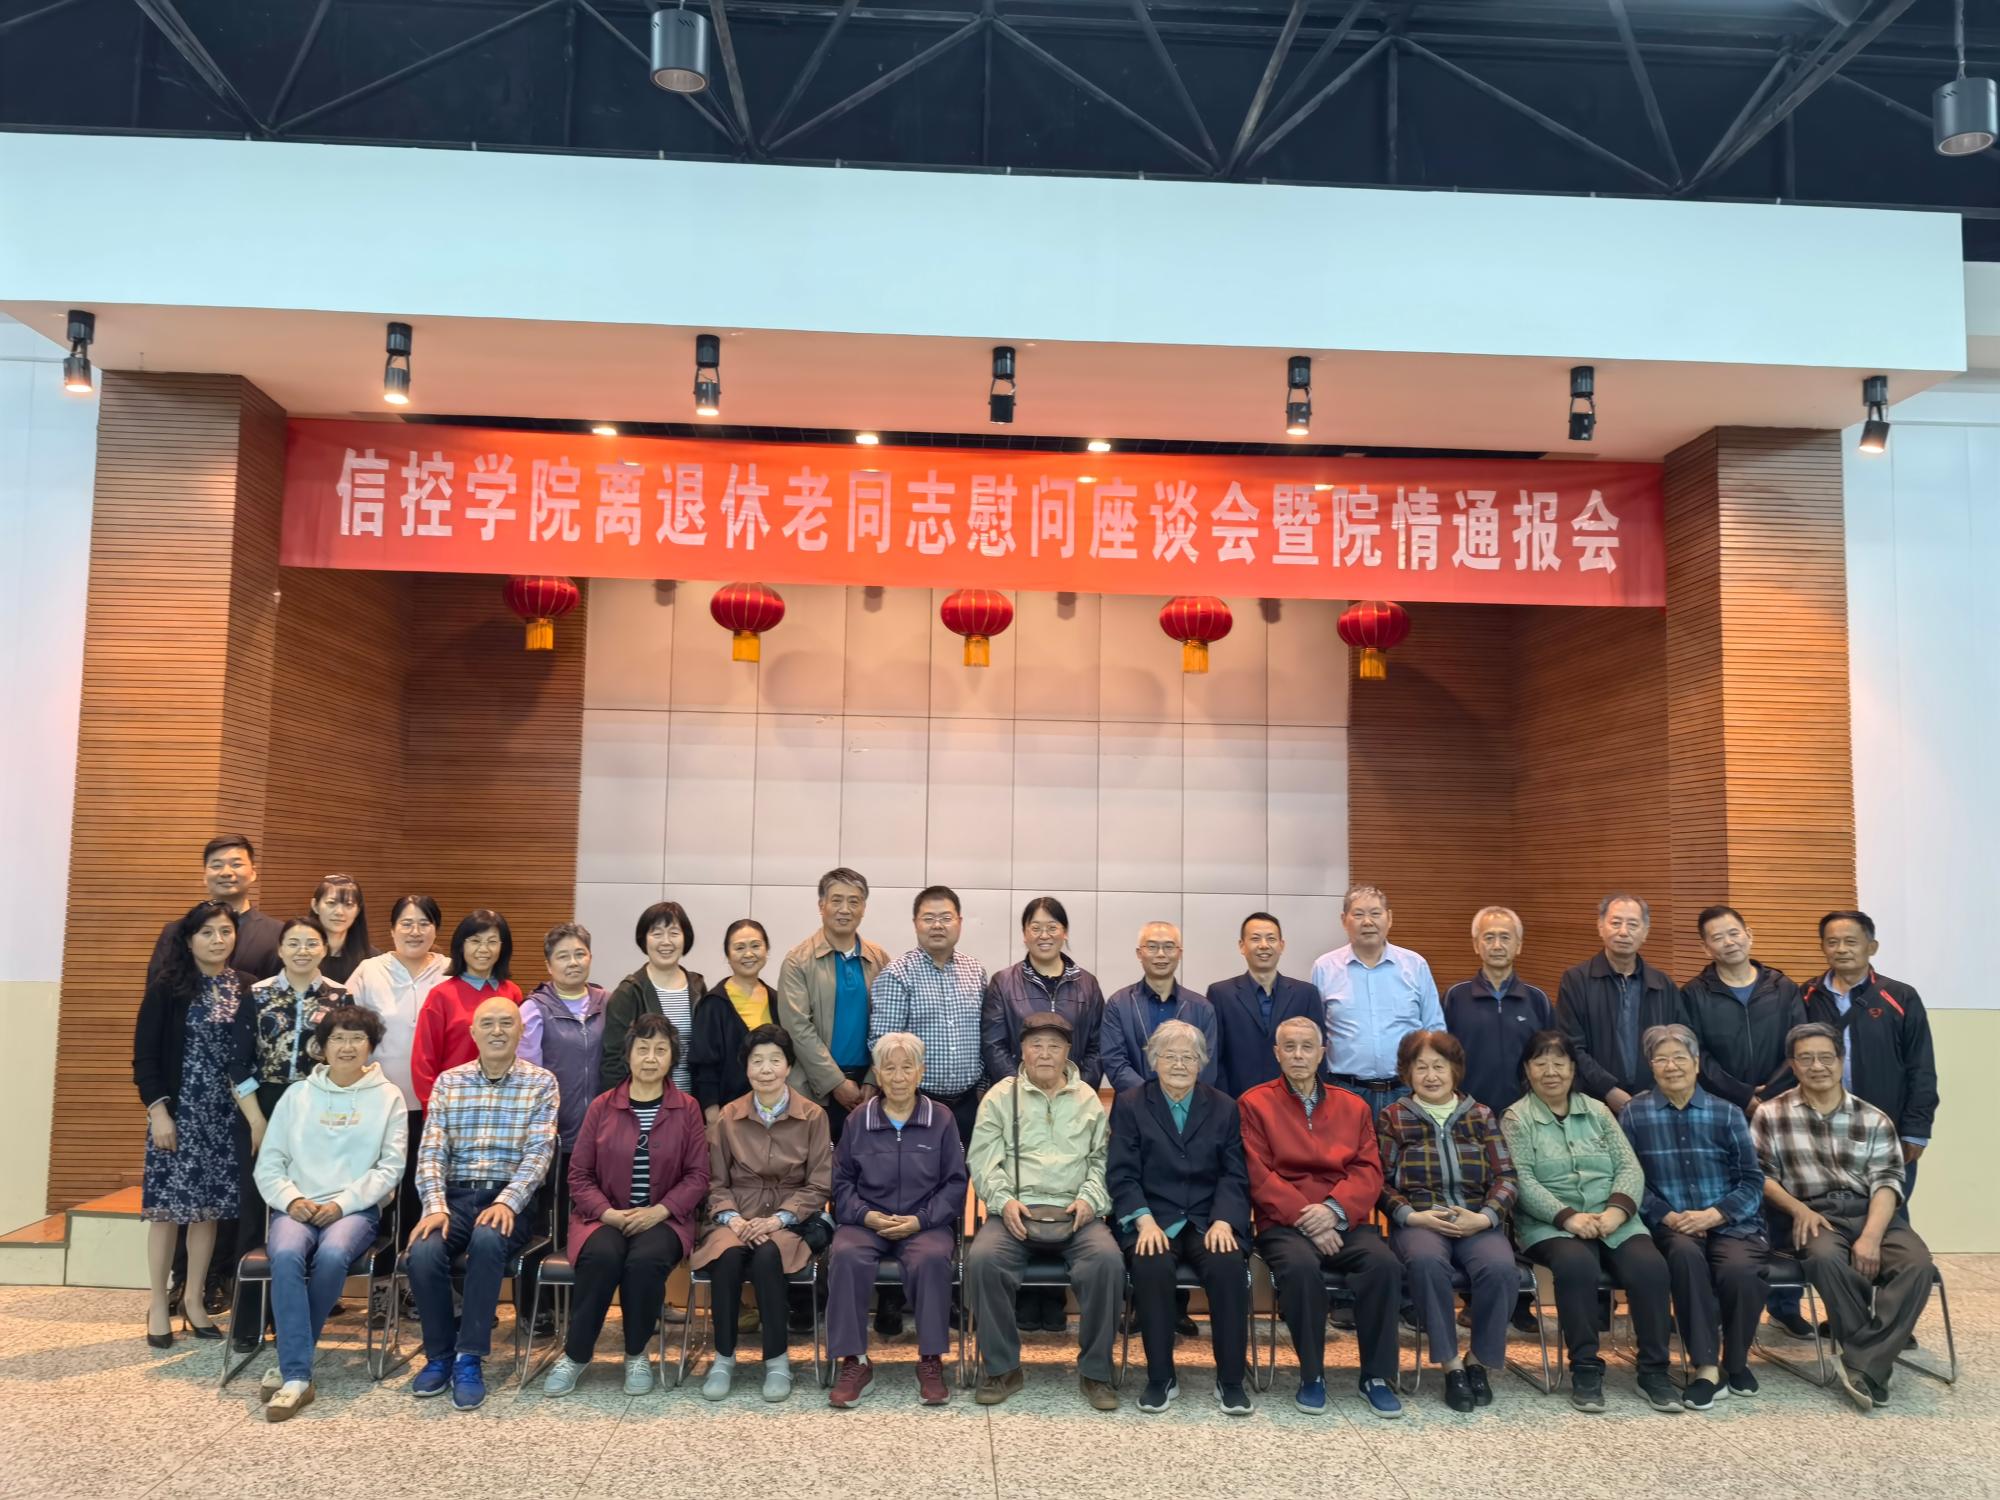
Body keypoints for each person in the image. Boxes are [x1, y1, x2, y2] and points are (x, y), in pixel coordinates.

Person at [1753, 1022, 1935, 1411]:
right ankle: (1873, 1361)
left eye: (1826, 1057)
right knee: (1824, 1258)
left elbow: (1888, 1182)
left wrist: (1871, 1236)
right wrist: (1798, 1209)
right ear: (1792, 1065)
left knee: (1918, 1264)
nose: (1817, 1066)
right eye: (1806, 1058)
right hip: (1812, 1212)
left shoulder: (1874, 1118)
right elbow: (1760, 1176)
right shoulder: (1771, 1114)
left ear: (1840, 1060)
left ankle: (1861, 1361)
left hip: (1872, 1210)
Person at [1502, 1028, 1677, 1414]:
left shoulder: (1598, 1111)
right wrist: (1568, 1217)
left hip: (1614, 1217)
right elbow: (1522, 1180)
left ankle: (1654, 1370)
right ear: (1527, 1070)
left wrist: (1616, 1211)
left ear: (1573, 1068)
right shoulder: (1517, 1118)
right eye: (1540, 1063)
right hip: (1550, 1224)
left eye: (1559, 1063)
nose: (1551, 1071)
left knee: (1650, 1267)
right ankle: (1584, 1367)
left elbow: (1629, 1167)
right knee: (1577, 1264)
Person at [1239, 1016, 1405, 1418]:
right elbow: (1258, 1173)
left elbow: (1368, 1169)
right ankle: (1312, 1374)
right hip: (1284, 1222)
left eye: (1307, 1047)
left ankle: (1376, 1376)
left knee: (1383, 1265)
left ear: (1322, 1053)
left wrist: (1333, 1211)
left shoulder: (1353, 1105)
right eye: (1289, 1047)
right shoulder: (1254, 1103)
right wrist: (1307, 1218)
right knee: (1299, 1269)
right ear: (1277, 1053)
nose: (1298, 1055)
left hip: (1343, 1218)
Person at [252, 1004, 407, 1420]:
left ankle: (292, 1369)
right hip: (297, 1206)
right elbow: (270, 1162)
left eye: (357, 1038)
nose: (347, 1046)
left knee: (334, 1254)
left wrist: (342, 1203)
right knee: (286, 1254)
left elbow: (390, 1168)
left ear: (371, 1046)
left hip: (354, 1209)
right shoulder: (297, 1095)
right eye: (337, 1038)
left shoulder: (388, 1097)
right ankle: (298, 1372)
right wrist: (291, 1200)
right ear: (322, 1047)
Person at [542, 1014, 710, 1397]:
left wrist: (660, 1211)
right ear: (628, 1054)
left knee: (644, 1261)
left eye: (661, 1050)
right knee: (601, 1257)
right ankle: (576, 1355)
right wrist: (608, 1213)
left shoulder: (687, 1108)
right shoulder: (602, 1106)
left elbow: (698, 1176)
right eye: (642, 1048)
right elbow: (579, 1175)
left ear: (672, 1058)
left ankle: (637, 1354)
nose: (651, 1058)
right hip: (602, 1217)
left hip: (665, 1218)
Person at [405, 996, 558, 1411]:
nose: (497, 1031)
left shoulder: (541, 1082)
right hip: (453, 1198)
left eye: (506, 1023)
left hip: (509, 1199)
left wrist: (508, 1201)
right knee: (422, 1251)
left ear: (521, 1031)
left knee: (489, 1240)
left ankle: (469, 1356)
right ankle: (439, 1355)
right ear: (472, 1033)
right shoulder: (449, 1082)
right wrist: (435, 1205)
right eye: (487, 1023)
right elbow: (431, 1151)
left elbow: (539, 1153)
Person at [965, 1012, 1122, 1411]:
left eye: (1055, 1046)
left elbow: (1102, 1160)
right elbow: (984, 1161)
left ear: (1068, 1051)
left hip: (1076, 1211)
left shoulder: (1087, 1099)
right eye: (1036, 1045)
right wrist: (1004, 1201)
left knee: (1107, 1261)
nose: (1045, 1054)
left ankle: (1096, 1372)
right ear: (1022, 1050)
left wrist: (1089, 1200)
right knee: (983, 1260)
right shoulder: (1000, 1096)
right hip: (1015, 1211)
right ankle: (1002, 1369)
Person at [1107, 1019, 1253, 1416]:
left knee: (1228, 1265)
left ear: (1201, 1063)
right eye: (1169, 1056)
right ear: (1153, 1060)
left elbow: (1234, 1174)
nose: (1179, 1065)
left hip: (1208, 1217)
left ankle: (1231, 1380)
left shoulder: (1224, 1106)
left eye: (1188, 1057)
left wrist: (1224, 1220)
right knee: (1151, 1263)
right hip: (1154, 1216)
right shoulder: (1131, 1103)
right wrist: (1143, 1221)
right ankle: (1160, 1377)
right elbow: (1121, 1173)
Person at [1619, 1024, 1769, 1408]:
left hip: (1729, 1222)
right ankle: (1706, 1367)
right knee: (1685, 1257)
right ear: (1651, 1067)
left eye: (1679, 1058)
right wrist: (1666, 1215)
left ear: (1697, 1063)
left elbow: (1752, 1180)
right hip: (1672, 1226)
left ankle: (1735, 1362)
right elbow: (1627, 1179)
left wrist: (1715, 1214)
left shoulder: (1727, 1113)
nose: (1671, 1066)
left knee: (1741, 1271)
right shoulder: (1634, 1114)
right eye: (1661, 1059)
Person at [134, 901, 262, 1348]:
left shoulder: (247, 987)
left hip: (226, 1117)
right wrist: (158, 1112)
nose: (217, 940)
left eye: (225, 931)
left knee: (208, 1214)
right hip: (178, 1116)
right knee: (168, 1214)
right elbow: (145, 1057)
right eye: (207, 933)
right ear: (189, 940)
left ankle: (194, 1299)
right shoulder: (167, 986)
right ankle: (158, 1303)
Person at [1375, 1029, 1519, 1413]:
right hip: (1421, 1219)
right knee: (1426, 1263)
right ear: (1407, 1073)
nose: (1431, 1076)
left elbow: (1506, 1176)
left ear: (1455, 1070)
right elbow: (1379, 1182)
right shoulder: (1393, 1117)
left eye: (1439, 1066)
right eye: (1420, 1067)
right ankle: (1451, 1365)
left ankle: (1478, 1361)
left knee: (1501, 1269)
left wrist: (1486, 1217)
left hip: (1474, 1216)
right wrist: (1410, 1215)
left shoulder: (1481, 1115)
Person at [690, 1024, 834, 1404]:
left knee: (769, 1254)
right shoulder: (728, 1117)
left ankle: (777, 1360)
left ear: (789, 1066)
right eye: (757, 1061)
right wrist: (735, 1220)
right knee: (727, 1255)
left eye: (775, 1060)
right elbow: (715, 1182)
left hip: (789, 1217)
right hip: (736, 1215)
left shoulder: (813, 1116)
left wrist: (777, 1219)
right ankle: (723, 1359)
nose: (766, 1069)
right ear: (746, 1067)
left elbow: (820, 1184)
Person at [825, 1031, 969, 1409]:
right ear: (877, 1074)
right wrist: (866, 1215)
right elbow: (841, 1183)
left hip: (924, 1223)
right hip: (866, 1221)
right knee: (845, 1255)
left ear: (921, 1072)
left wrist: (920, 1220)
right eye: (889, 1068)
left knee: (931, 1258)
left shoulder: (941, 1119)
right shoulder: (858, 1119)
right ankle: (855, 1361)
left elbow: (955, 1183)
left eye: (908, 1068)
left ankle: (930, 1359)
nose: (899, 1077)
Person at [232, 916, 350, 1351]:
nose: (303, 950)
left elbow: (345, 1058)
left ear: (324, 949)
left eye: (311, 943)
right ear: (280, 950)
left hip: (318, 1107)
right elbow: (238, 1063)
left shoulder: (340, 996)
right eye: (294, 943)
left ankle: (294, 1323)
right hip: (262, 1104)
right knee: (256, 1211)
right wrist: (257, 1121)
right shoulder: (257, 994)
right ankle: (248, 1322)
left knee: (303, 1208)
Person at [343, 895, 449, 1279]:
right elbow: (348, 1029)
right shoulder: (370, 971)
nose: (414, 931)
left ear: (435, 929)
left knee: (424, 1193)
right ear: (391, 929)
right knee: (383, 1193)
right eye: (406, 923)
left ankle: (416, 1281)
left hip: (436, 1105)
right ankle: (382, 1283)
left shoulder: (449, 970)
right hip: (380, 1104)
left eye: (424, 923)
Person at [1803, 911, 1937, 1198]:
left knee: (1889, 1211)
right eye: (1832, 942)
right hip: (1820, 1129)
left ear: (1871, 947)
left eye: (1851, 941)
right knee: (1828, 1210)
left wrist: (1916, 1129)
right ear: (1823, 947)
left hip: (1886, 1127)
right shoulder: (1806, 996)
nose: (1841, 949)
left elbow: (1921, 1066)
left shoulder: (1901, 996)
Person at [1310, 885, 1443, 1120]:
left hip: (1407, 1091)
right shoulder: (1325, 967)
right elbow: (1315, 1033)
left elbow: (1435, 1030)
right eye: (1358, 914)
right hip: (1345, 1091)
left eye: (1375, 913)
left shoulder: (1415, 965)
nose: (1367, 922)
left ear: (1389, 918)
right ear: (1344, 920)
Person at [776, 867, 889, 1142]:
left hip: (868, 1089)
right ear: (821, 905)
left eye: (854, 901)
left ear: (864, 908)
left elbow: (890, 1023)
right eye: (836, 900)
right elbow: (797, 1028)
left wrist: (873, 1079)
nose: (845, 909)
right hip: (814, 1089)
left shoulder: (880, 959)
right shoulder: (797, 961)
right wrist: (835, 1082)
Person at [869, 886, 988, 1145]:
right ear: (915, 923)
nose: (937, 925)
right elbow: (882, 1045)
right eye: (928, 918)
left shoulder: (975, 971)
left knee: (966, 1167)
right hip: (918, 1102)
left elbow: (985, 1035)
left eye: (946, 918)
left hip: (969, 1103)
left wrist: (982, 1089)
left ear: (959, 922)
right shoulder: (897, 974)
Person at [1557, 893, 1681, 1113]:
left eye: (1632, 924)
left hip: (1656, 1103)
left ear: (1645, 932)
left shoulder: (1663, 985)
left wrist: (1654, 1091)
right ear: (1600, 926)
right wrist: (1608, 1089)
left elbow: (1679, 1044)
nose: (1623, 932)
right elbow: (1570, 1046)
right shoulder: (1576, 980)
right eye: (1615, 923)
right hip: (1594, 1105)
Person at [1680, 905, 1805, 1113]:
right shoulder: (1692, 994)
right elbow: (1695, 1053)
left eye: (1734, 933)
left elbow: (1800, 1044)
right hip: (1720, 1107)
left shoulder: (1783, 987)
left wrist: (1768, 1095)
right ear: (1705, 948)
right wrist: (1742, 1096)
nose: (1729, 942)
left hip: (1781, 1103)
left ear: (1749, 935)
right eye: (1718, 937)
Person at [981, 896, 1105, 1087]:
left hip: (1074, 1096)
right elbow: (993, 1046)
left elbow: (1098, 1046)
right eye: (1036, 928)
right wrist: (1022, 1090)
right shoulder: (1003, 983)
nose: (1044, 935)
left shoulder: (1088, 984)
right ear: (1025, 934)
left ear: (1065, 932)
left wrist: (1077, 1089)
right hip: (1019, 1094)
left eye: (1052, 927)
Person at [1443, 906, 1554, 1114]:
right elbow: (1443, 1058)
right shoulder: (1454, 997)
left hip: (1526, 1114)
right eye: (1489, 937)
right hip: (1467, 1114)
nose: (1497, 945)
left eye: (1505, 937)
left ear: (1518, 945)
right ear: (1476, 945)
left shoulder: (1538, 1000)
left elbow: (1550, 1058)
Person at [410, 909, 524, 1109]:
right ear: (461, 945)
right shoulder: (441, 996)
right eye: (475, 941)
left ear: (503, 947)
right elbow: (423, 1061)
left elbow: (521, 1051)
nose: (484, 949)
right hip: (453, 1103)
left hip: (506, 1104)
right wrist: (434, 1108)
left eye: (492, 941)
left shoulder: (512, 993)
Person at [518, 922, 609, 1157]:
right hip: (552, 1135)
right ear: (549, 965)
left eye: (580, 954)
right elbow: (527, 1079)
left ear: (590, 958)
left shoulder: (609, 1002)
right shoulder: (534, 1009)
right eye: (563, 956)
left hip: (604, 1131)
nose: (573, 962)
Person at [1207, 911, 1321, 1098]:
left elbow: (1317, 1055)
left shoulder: (1306, 994)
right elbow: (1215, 1059)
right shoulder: (1220, 994)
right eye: (1255, 939)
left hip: (1294, 1101)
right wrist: (1224, 1104)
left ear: (1281, 945)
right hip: (1238, 1101)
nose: (1263, 945)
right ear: (1242, 946)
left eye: (1271, 939)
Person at [147, 834, 284, 985]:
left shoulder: (277, 933)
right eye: (217, 865)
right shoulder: (176, 931)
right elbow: (157, 991)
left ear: (252, 873)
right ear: (205, 876)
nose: (226, 872)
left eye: (236, 864)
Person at [600, 901, 705, 1095]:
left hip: (691, 1103)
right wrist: (619, 1106)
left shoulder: (697, 988)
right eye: (657, 934)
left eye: (674, 933)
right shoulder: (629, 992)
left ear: (685, 938)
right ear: (644, 940)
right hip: (644, 1102)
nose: (666, 941)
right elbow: (613, 1060)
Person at [1102, 921, 1220, 1093]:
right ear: (1139, 953)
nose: (1161, 954)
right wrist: (1149, 1098)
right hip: (1133, 1105)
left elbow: (1206, 1064)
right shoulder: (1119, 1004)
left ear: (1179, 953)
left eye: (1169, 947)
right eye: (1152, 947)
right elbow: (1114, 1062)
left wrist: (1178, 1098)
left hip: (1189, 1105)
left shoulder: (1202, 1008)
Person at [690, 918, 777, 1124]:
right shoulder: (713, 1004)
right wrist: (713, 1120)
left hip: (773, 1115)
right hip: (728, 1118)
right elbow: (704, 1069)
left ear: (766, 950)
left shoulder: (777, 1000)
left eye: (755, 946)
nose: (748, 954)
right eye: (739, 947)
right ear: (728, 955)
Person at [310, 874, 377, 987]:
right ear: (315, 905)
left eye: (348, 904)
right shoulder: (299, 954)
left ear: (358, 911)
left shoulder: (372, 960)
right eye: (331, 903)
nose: (340, 912)